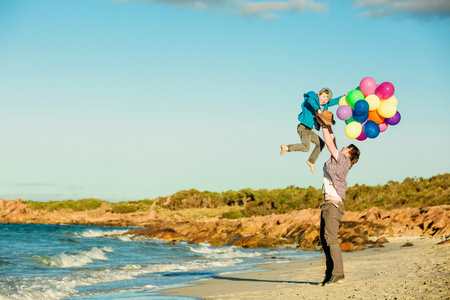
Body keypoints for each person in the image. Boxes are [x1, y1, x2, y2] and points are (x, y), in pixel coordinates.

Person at [319, 123, 360, 286]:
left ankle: (338, 273)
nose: (343, 147)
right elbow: (332, 139)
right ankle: (330, 274)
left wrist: (323, 123)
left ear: (349, 154)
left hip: (333, 206)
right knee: (324, 239)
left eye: (346, 148)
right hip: (328, 205)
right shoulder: (339, 159)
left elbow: (329, 143)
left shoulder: (343, 161)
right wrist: (327, 123)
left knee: (330, 238)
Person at [280, 88, 341, 173]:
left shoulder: (326, 105)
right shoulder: (312, 96)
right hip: (303, 127)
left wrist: (345, 97)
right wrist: (317, 109)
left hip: (309, 130)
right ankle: (287, 147)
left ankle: (311, 161)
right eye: (323, 97)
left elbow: (335, 100)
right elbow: (310, 101)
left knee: (321, 144)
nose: (324, 100)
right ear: (319, 94)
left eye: (326, 99)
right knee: (306, 147)